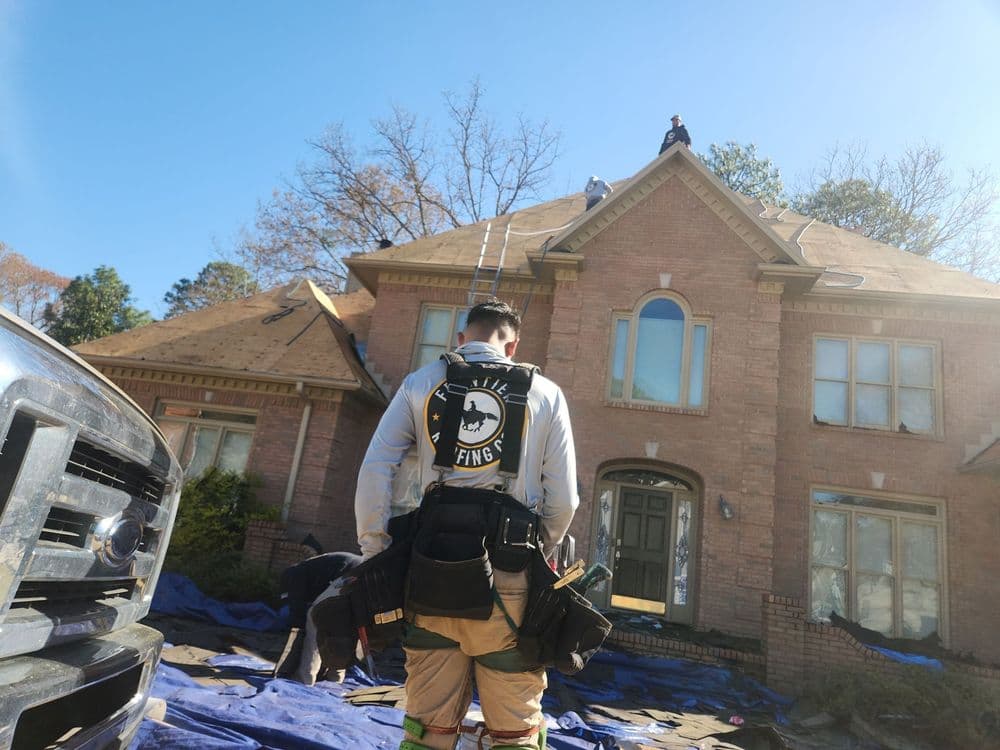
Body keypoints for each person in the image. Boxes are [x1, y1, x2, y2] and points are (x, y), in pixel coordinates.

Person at [355, 298, 578, 750]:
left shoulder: (421, 382)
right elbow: (565, 499)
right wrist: (539, 558)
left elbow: (376, 467)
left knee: (428, 732)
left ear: (461, 338)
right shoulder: (546, 393)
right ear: (512, 345)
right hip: (509, 581)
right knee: (515, 734)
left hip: (429, 573)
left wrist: (375, 552)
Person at [273, 551, 362, 684]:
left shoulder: (294, 575)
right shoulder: (314, 569)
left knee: (314, 619)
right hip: (362, 579)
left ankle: (305, 678)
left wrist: (297, 624)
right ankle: (335, 678)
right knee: (342, 632)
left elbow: (297, 604)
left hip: (349, 577)